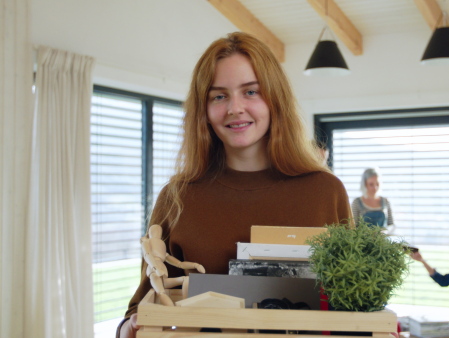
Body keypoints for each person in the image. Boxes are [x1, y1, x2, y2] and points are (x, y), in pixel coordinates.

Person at [117, 32, 351, 338]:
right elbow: (141, 307)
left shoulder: (325, 191)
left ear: (274, 99)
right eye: (219, 96)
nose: (234, 108)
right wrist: (130, 329)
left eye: (251, 92)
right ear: (204, 110)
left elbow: (352, 305)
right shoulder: (176, 198)